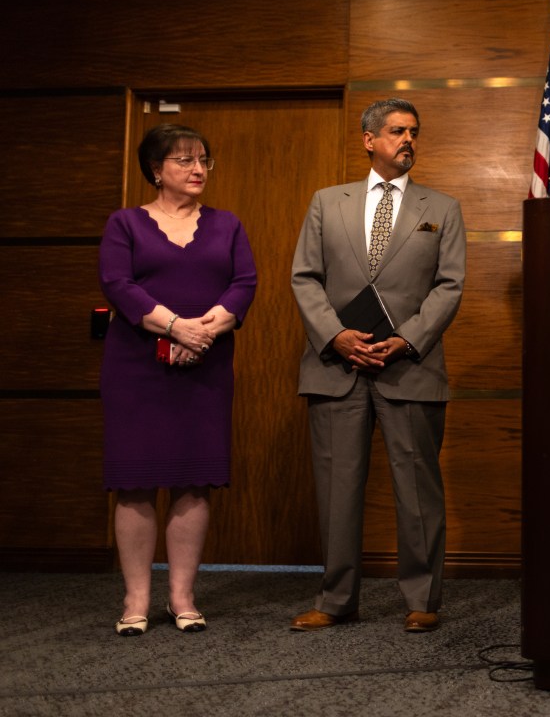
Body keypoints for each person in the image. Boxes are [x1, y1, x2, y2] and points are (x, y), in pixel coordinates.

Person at [290, 98, 465, 633]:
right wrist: (337, 336)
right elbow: (305, 277)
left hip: (408, 368)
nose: (407, 139)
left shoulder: (443, 207)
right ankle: (337, 599)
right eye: (395, 131)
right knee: (338, 490)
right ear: (369, 140)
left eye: (414, 131)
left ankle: (421, 600)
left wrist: (407, 339)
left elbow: (449, 285)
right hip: (337, 368)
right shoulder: (327, 202)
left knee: (417, 490)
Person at [99, 124, 257, 636]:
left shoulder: (227, 224)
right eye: (185, 161)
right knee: (135, 482)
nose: (197, 170)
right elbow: (117, 283)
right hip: (137, 368)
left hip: (205, 364)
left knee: (194, 480)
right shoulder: (125, 223)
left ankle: (183, 598)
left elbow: (244, 282)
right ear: (155, 169)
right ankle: (136, 600)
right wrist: (174, 325)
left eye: (204, 161)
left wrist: (208, 325)